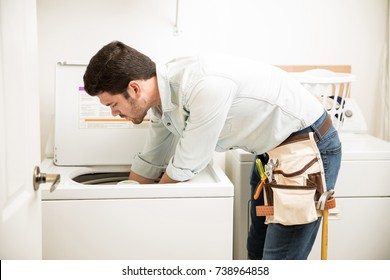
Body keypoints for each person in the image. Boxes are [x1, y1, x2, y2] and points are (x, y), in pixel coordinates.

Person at [83, 40, 342, 260]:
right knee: (255, 252)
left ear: (134, 88)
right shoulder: (163, 98)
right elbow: (152, 157)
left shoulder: (202, 85)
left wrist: (146, 216)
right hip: (270, 154)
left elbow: (185, 164)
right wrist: (122, 203)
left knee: (280, 259)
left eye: (113, 104)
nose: (114, 113)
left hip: (307, 149)